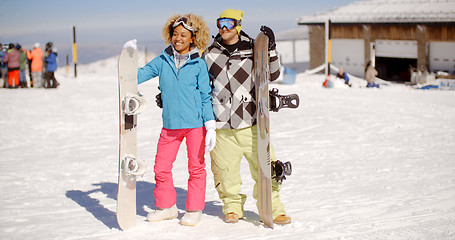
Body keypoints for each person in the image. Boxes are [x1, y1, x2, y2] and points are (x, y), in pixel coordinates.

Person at [122, 13, 215, 227]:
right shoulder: (162, 60)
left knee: (196, 168)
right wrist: (126, 63)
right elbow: (139, 75)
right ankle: (167, 207)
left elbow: (205, 96)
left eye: (183, 34)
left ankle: (193, 209)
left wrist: (210, 125)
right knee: (161, 168)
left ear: (193, 38)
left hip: (195, 125)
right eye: (175, 34)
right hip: (170, 125)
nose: (178, 38)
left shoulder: (198, 64)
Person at [202, 9, 291, 225]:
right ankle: (232, 207)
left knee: (265, 166)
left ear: (238, 25)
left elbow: (273, 74)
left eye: (228, 23)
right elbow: (201, 85)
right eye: (220, 23)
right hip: (221, 123)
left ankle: (273, 207)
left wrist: (270, 49)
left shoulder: (253, 48)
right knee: (224, 171)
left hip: (252, 122)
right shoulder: (210, 53)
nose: (223, 28)